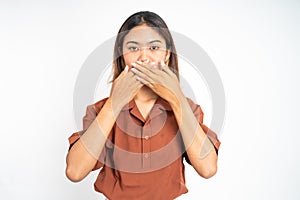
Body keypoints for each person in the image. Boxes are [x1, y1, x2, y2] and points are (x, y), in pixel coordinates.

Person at [66, 11, 221, 200]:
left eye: (154, 47)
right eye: (133, 48)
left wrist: (177, 100)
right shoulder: (100, 110)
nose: (143, 58)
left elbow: (208, 168)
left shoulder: (188, 109)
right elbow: (74, 171)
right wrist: (114, 104)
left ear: (167, 54)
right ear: (121, 56)